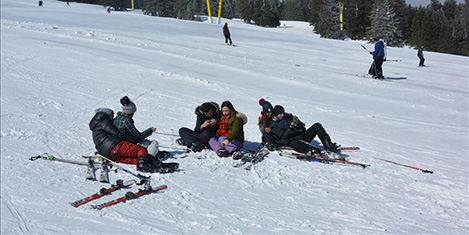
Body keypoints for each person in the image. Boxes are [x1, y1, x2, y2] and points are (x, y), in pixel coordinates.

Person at [89, 108, 178, 173]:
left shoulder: (97, 124)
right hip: (113, 146)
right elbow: (119, 134)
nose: (112, 118)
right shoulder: (104, 122)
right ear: (107, 114)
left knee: (136, 159)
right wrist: (134, 139)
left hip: (107, 154)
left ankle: (156, 165)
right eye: (112, 115)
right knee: (141, 150)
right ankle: (144, 166)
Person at [269, 105, 339, 154]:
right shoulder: (274, 125)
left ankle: (328, 145)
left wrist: (300, 124)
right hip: (294, 141)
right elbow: (283, 137)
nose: (282, 115)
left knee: (317, 125)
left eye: (283, 113)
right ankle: (312, 150)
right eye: (280, 114)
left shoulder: (287, 116)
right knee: (294, 143)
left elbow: (297, 123)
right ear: (276, 114)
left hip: (302, 135)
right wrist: (291, 128)